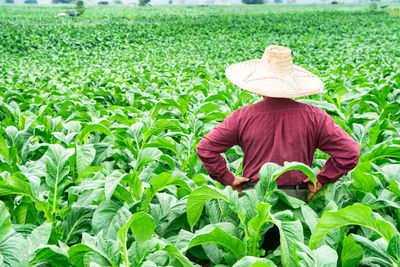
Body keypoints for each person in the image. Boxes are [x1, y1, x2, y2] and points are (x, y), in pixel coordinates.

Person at [196, 45, 360, 251]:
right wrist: (322, 178)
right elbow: (350, 152)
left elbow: (205, 148)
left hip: (254, 197)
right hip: (296, 199)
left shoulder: (242, 117)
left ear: (258, 84)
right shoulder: (315, 116)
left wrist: (229, 178)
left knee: (256, 255)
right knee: (291, 254)